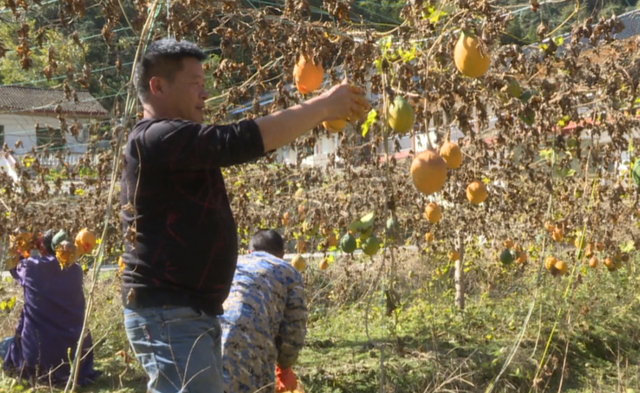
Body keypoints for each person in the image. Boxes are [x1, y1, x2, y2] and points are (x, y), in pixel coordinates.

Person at [120, 38, 369, 393]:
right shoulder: (154, 139)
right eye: (195, 84)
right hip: (169, 313)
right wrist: (322, 106)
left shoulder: (179, 146)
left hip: (187, 313)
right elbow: (238, 140)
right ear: (157, 86)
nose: (204, 94)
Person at [1, 230, 99, 386]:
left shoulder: (31, 267)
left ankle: (23, 374)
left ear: (43, 248)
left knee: (4, 344)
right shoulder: (76, 270)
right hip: (73, 358)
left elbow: (14, 266)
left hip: (38, 356)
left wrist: (19, 244)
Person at [220, 230, 307, 393]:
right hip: (253, 355)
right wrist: (285, 366)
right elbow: (295, 328)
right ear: (282, 254)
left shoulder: (230, 264)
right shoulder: (287, 272)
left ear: (249, 252)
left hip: (207, 347)